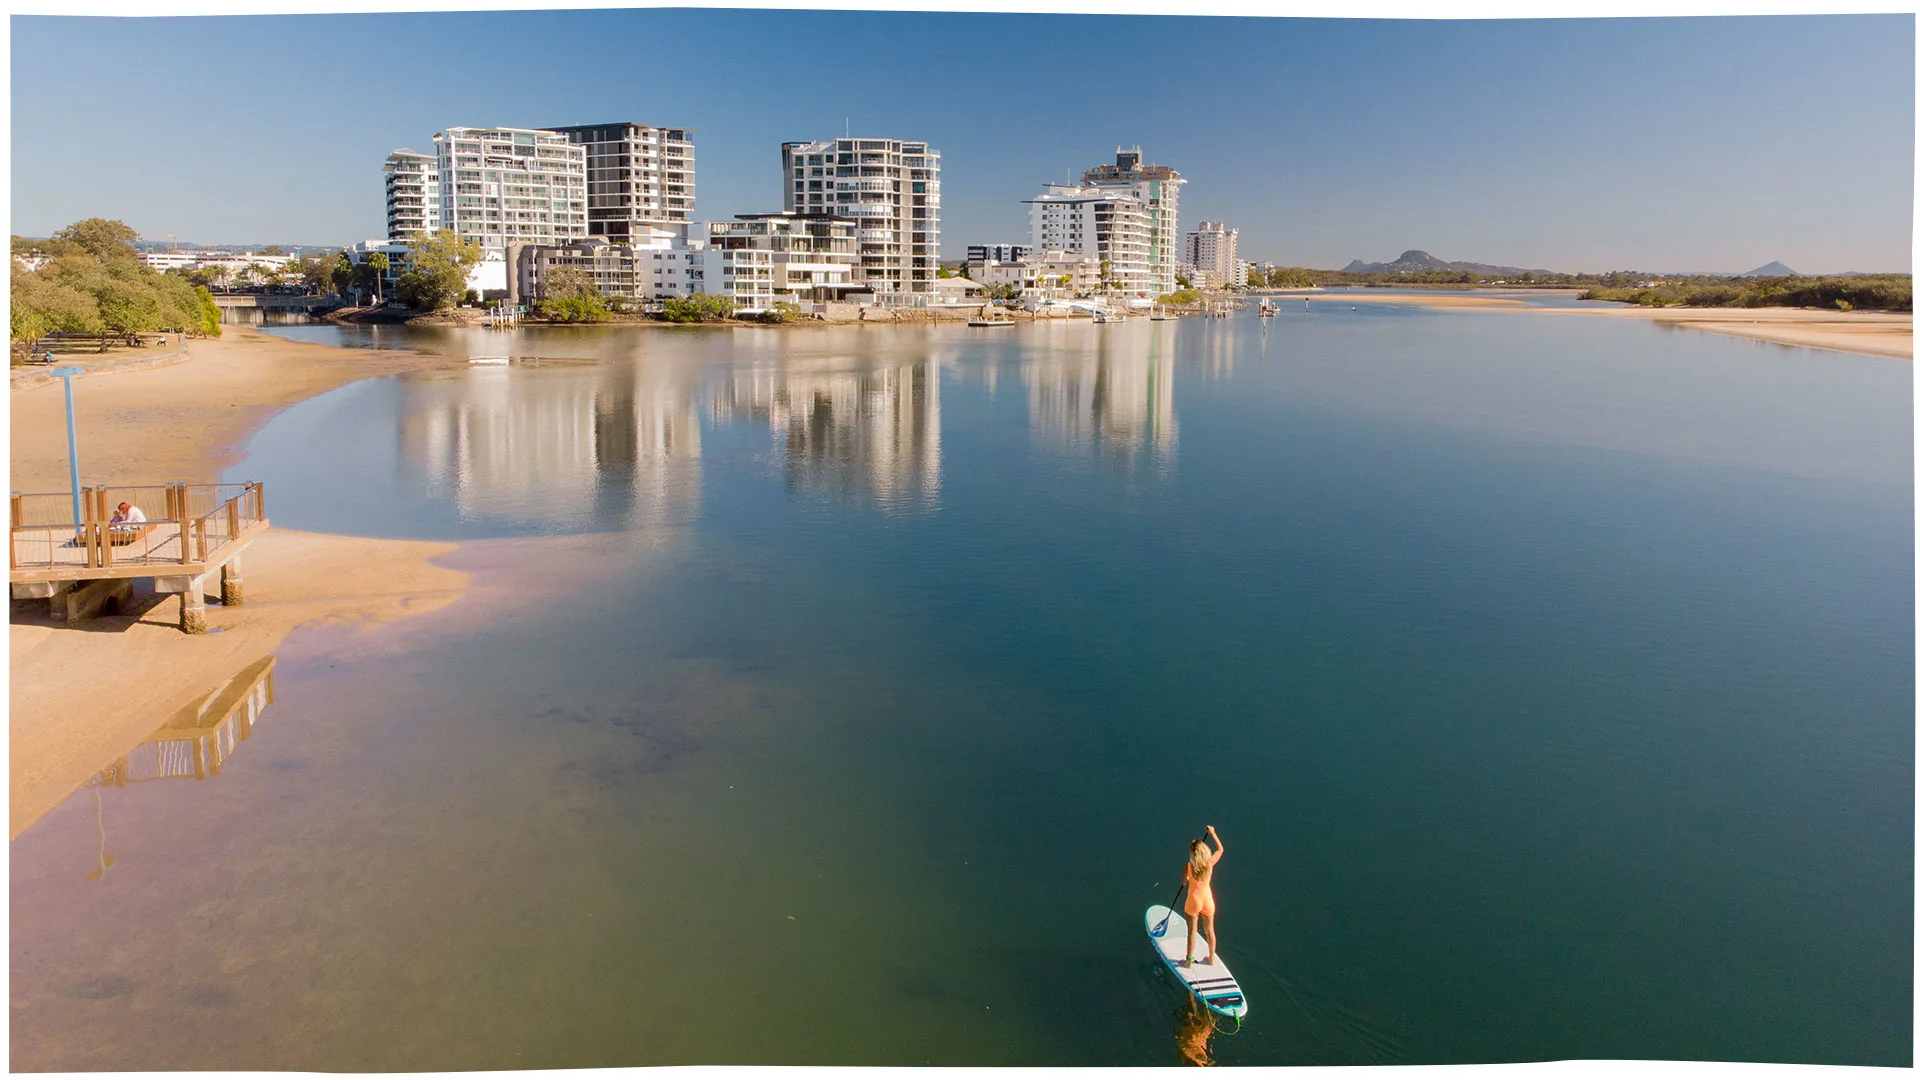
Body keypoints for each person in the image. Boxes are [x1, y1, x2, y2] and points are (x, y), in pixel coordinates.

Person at [1182, 824, 1223, 967]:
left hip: (1193, 901)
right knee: (1209, 931)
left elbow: (1184, 882)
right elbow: (1220, 850)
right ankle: (1211, 958)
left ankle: (1189, 962)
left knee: (1192, 932)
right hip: (1207, 900)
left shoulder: (1188, 866)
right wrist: (1213, 833)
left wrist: (1186, 880)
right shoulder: (1210, 864)